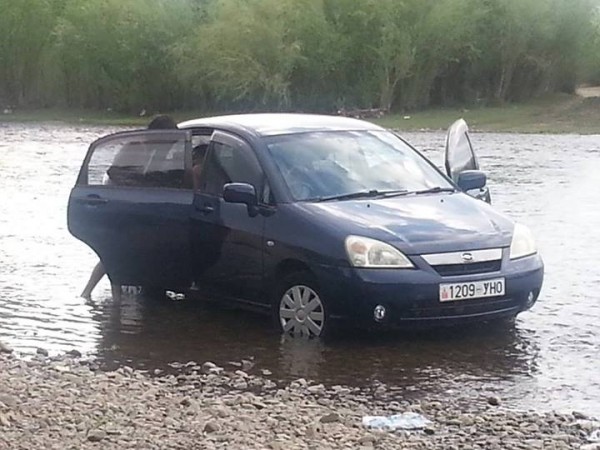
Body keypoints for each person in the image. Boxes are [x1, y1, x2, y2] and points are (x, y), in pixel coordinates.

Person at [80, 115, 178, 300]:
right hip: (116, 203)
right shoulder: (135, 147)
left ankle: (100, 296)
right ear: (158, 135)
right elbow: (113, 172)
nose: (172, 146)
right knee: (115, 251)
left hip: (132, 205)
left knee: (114, 252)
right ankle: (105, 297)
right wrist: (137, 184)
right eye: (170, 141)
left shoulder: (156, 153)